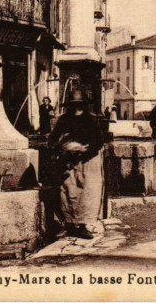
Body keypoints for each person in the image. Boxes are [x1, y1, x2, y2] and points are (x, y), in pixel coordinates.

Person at [48, 89, 105, 239]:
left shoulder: (91, 119)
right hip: (68, 161)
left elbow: (98, 141)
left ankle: (82, 225)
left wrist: (82, 150)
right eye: (73, 105)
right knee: (67, 192)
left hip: (87, 161)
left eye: (79, 105)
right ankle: (68, 224)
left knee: (86, 194)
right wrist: (61, 147)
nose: (76, 108)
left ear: (84, 105)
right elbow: (53, 139)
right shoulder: (64, 119)